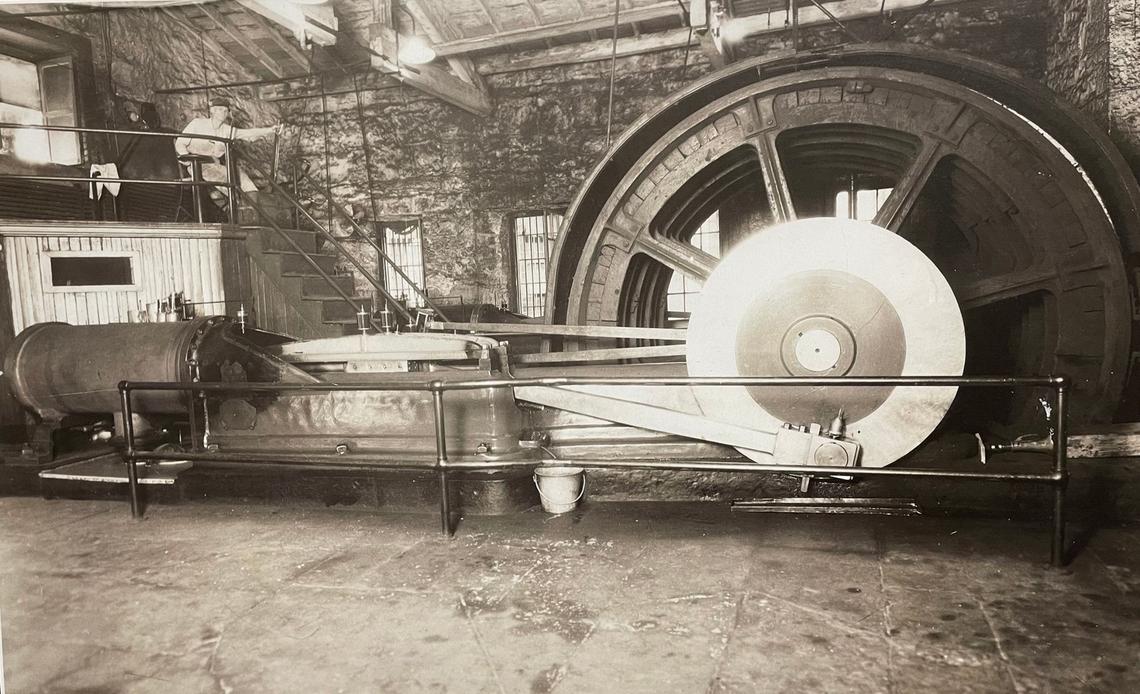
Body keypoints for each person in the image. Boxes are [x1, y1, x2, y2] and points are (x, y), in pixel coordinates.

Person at [174, 95, 281, 208]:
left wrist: (270, 130)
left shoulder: (226, 130)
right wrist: (187, 160)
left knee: (243, 179)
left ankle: (254, 211)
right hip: (198, 166)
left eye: (225, 110)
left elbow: (246, 133)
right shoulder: (197, 124)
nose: (223, 113)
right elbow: (180, 143)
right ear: (212, 111)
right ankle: (239, 208)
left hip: (215, 164)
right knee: (227, 184)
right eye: (220, 109)